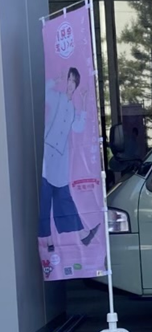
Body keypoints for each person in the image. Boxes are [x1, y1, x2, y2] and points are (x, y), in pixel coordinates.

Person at [40, 67, 100, 251]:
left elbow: (79, 128)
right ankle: (49, 241)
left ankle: (83, 234)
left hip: (61, 158)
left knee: (63, 197)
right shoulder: (56, 98)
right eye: (70, 80)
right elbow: (44, 93)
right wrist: (55, 80)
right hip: (47, 155)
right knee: (45, 198)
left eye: (74, 81)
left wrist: (83, 103)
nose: (71, 84)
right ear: (66, 81)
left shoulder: (72, 108)